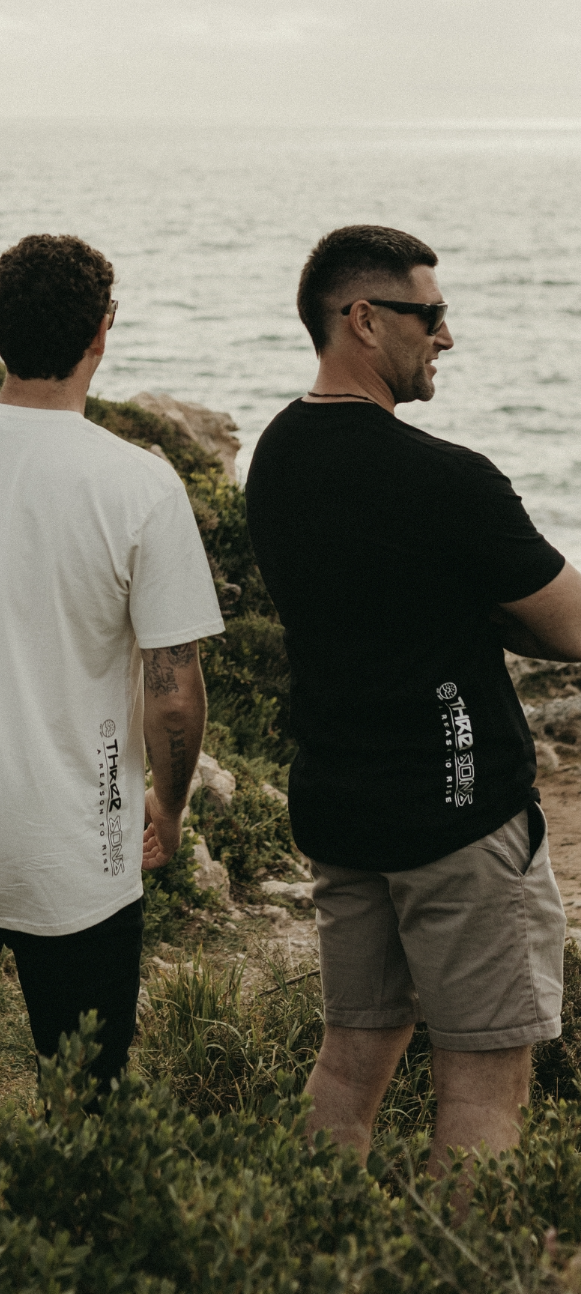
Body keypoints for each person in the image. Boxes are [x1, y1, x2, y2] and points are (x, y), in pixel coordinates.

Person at [0, 233, 224, 1169]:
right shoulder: (139, 484)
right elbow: (173, 695)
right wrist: (170, 807)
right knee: (90, 1106)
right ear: (102, 332)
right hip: (81, 848)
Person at [245, 224, 581, 1174]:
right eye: (430, 315)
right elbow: (570, 626)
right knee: (483, 1083)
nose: (446, 335)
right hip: (458, 813)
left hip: (341, 805)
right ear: (363, 318)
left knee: (349, 1061)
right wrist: (491, 615)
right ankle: (459, 1254)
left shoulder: (276, 457)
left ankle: (303, 1241)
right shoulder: (447, 480)